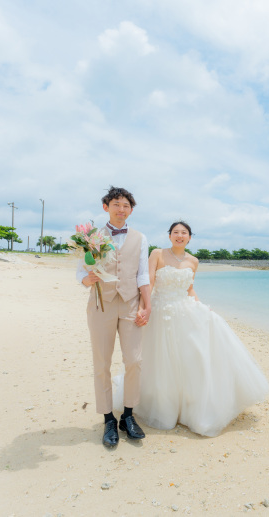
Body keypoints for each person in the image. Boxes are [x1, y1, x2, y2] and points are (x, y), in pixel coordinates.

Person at [134, 221, 269, 436]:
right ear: (169, 236)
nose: (179, 235)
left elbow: (190, 288)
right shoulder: (157, 254)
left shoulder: (193, 261)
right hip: (160, 311)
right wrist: (144, 307)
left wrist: (202, 306)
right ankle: (164, 407)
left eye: (184, 233)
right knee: (162, 360)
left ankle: (190, 407)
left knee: (191, 356)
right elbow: (148, 282)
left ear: (189, 237)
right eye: (175, 232)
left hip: (185, 309)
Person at [77, 186, 151, 448]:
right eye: (116, 204)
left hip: (131, 303)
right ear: (106, 207)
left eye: (126, 205)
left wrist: (147, 305)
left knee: (134, 360)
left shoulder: (140, 238)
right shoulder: (92, 236)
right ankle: (108, 418)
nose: (121, 209)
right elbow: (81, 272)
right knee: (101, 363)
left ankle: (128, 415)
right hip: (101, 304)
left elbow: (143, 274)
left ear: (131, 210)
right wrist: (88, 278)